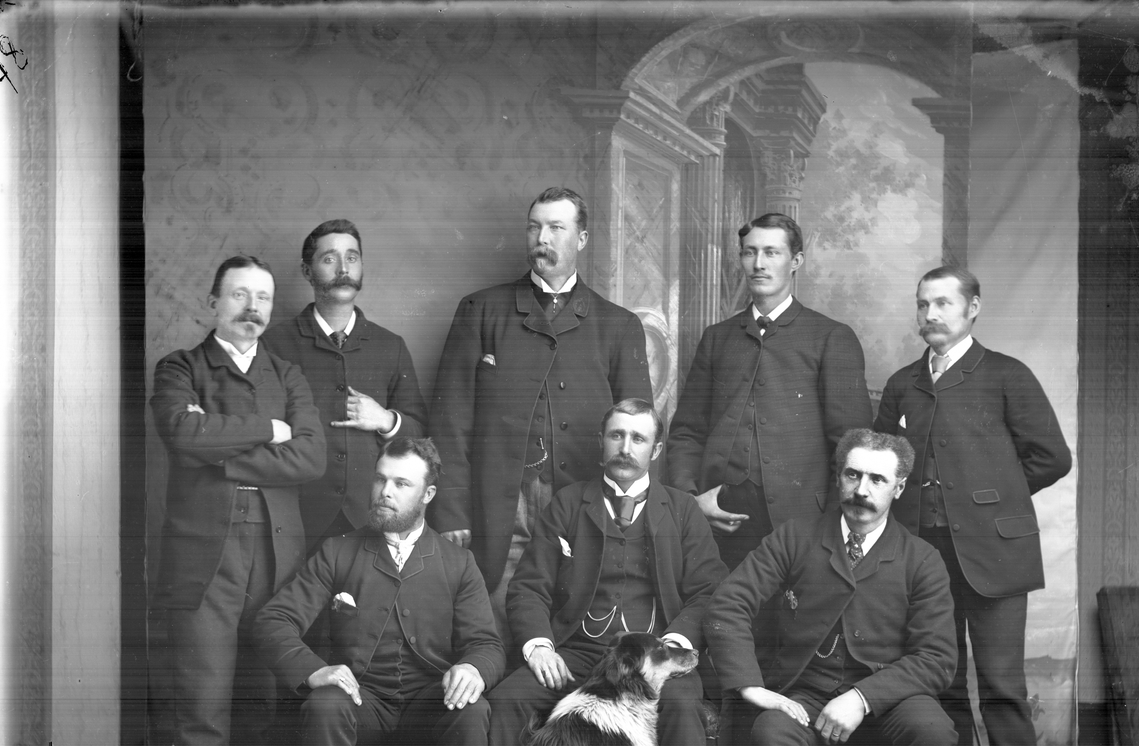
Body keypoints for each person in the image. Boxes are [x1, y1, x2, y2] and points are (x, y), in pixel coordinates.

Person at [482, 399, 729, 746]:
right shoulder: (568, 503)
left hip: (653, 655)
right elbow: (528, 587)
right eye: (617, 435)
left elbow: (709, 590)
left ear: (656, 449)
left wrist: (673, 641)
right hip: (576, 650)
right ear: (601, 442)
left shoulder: (681, 510)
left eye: (638, 438)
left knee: (683, 707)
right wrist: (539, 645)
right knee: (506, 700)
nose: (626, 447)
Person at [874, 266, 1072, 746]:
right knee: (941, 683)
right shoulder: (903, 384)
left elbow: (1051, 457)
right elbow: (884, 465)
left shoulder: (1007, 374)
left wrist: (991, 499)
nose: (930, 314)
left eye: (943, 303)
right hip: (924, 558)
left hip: (996, 556)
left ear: (973, 308)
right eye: (922, 304)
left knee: (1003, 690)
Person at [705, 429, 958, 746]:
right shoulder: (796, 537)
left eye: (878, 480)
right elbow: (728, 603)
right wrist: (750, 685)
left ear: (899, 487)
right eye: (853, 475)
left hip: (890, 699)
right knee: (772, 731)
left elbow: (937, 657)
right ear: (838, 476)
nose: (862, 490)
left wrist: (862, 698)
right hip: (807, 693)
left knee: (934, 732)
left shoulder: (922, 559)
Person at [252, 437, 505, 746]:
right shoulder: (338, 551)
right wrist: (313, 670)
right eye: (380, 479)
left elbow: (487, 644)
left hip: (431, 704)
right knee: (323, 705)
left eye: (401, 484)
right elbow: (273, 621)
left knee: (474, 709)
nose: (385, 491)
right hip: (362, 702)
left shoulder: (458, 563)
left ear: (428, 494)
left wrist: (472, 669)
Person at [150, 256, 327, 746]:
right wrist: (268, 430)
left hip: (275, 558)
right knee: (203, 708)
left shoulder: (288, 373)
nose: (253, 308)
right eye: (239, 295)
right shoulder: (180, 368)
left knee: (257, 704)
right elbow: (181, 433)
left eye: (263, 298)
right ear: (213, 302)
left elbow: (311, 458)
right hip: (205, 558)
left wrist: (221, 454)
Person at [429, 187, 652, 642]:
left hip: (584, 500)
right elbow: (450, 422)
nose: (542, 238)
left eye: (555, 227)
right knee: (494, 624)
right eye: (534, 227)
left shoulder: (618, 325)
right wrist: (451, 510)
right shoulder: (480, 310)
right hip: (499, 502)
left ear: (582, 238)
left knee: (576, 622)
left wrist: (629, 509)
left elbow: (637, 433)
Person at [667, 212, 871, 571]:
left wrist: (833, 525)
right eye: (750, 252)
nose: (758, 264)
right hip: (718, 520)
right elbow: (687, 432)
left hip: (801, 524)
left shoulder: (830, 337)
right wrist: (691, 500)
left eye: (771, 253)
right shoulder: (717, 338)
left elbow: (852, 446)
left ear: (796, 261)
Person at [263, 218, 427, 551]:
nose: (343, 268)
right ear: (307, 271)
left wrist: (386, 420)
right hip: (297, 518)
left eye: (352, 257)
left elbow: (420, 431)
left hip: (369, 517)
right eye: (329, 258)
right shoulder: (274, 344)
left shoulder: (390, 345)